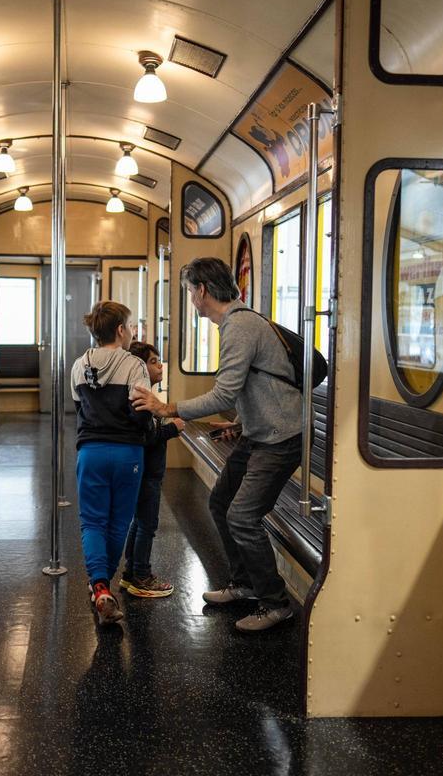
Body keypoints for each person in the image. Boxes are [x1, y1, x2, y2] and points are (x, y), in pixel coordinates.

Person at [133, 257, 303, 632]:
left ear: (202, 291)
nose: (191, 298)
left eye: (190, 291)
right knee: (220, 501)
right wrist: (241, 423)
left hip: (278, 439)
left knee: (242, 516)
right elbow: (257, 386)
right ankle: (244, 585)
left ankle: (276, 604)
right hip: (258, 432)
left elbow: (225, 392)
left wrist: (168, 407)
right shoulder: (238, 323)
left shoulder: (239, 327)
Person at [71, 301, 153, 626]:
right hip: (127, 453)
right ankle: (104, 582)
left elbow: (80, 409)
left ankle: (100, 586)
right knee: (119, 523)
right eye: (130, 325)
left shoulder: (79, 365)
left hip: (90, 452)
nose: (132, 331)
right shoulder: (135, 365)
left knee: (92, 522)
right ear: (120, 329)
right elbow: (141, 411)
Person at [120, 341, 184, 599]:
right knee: (148, 524)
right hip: (146, 472)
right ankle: (142, 576)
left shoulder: (146, 396)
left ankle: (130, 573)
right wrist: (173, 428)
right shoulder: (142, 398)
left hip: (148, 471)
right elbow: (145, 437)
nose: (160, 366)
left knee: (140, 522)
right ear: (140, 366)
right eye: (154, 361)